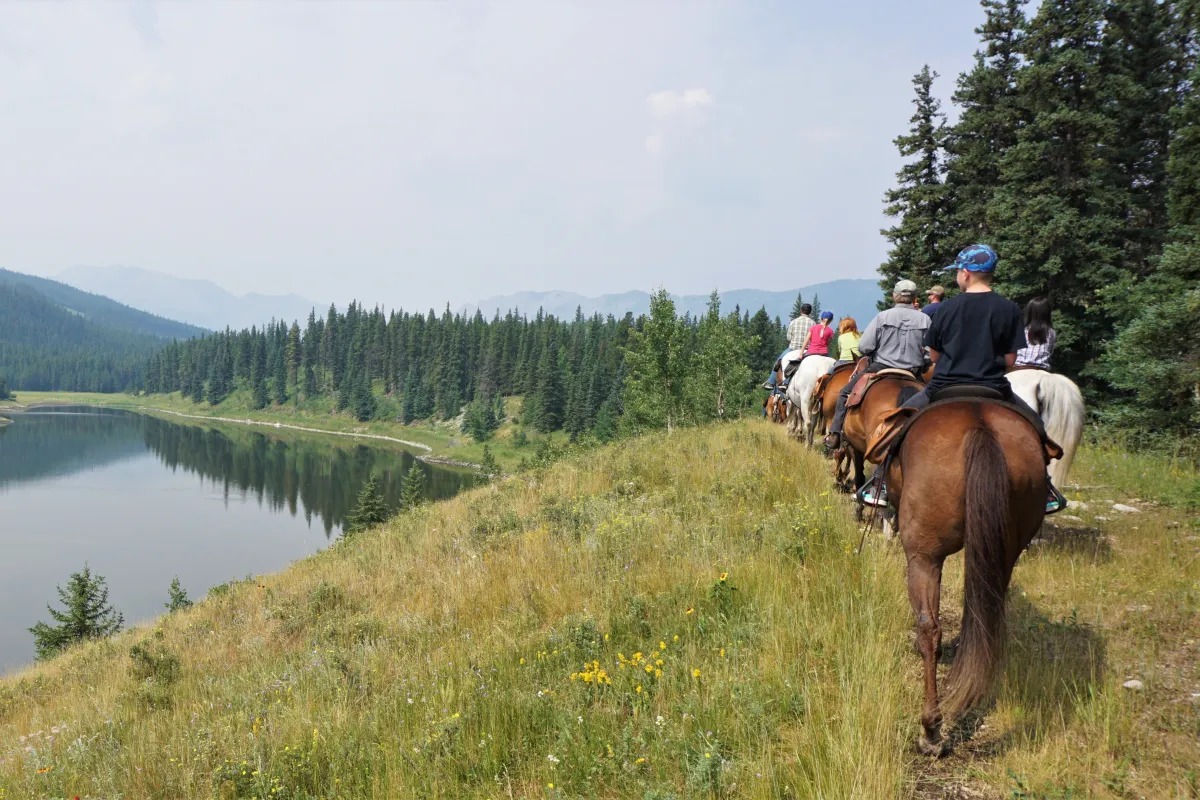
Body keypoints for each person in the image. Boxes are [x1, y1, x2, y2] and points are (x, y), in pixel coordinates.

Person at [892, 244, 1064, 513]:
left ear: (966, 273)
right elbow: (1010, 361)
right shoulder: (1009, 310)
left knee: (894, 425)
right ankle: (1045, 486)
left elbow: (934, 357)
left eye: (957, 272)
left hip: (943, 387)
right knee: (1038, 430)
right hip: (994, 388)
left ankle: (878, 481)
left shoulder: (945, 309)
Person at [823, 279, 930, 449]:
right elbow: (929, 350)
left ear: (895, 296)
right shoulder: (925, 319)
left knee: (845, 393)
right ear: (914, 297)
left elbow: (864, 347)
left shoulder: (882, 317)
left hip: (881, 367)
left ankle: (835, 434)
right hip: (912, 371)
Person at [1013, 296, 1055, 370]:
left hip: (1019, 367)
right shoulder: (1051, 332)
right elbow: (1050, 352)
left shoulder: (1021, 330)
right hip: (1041, 368)